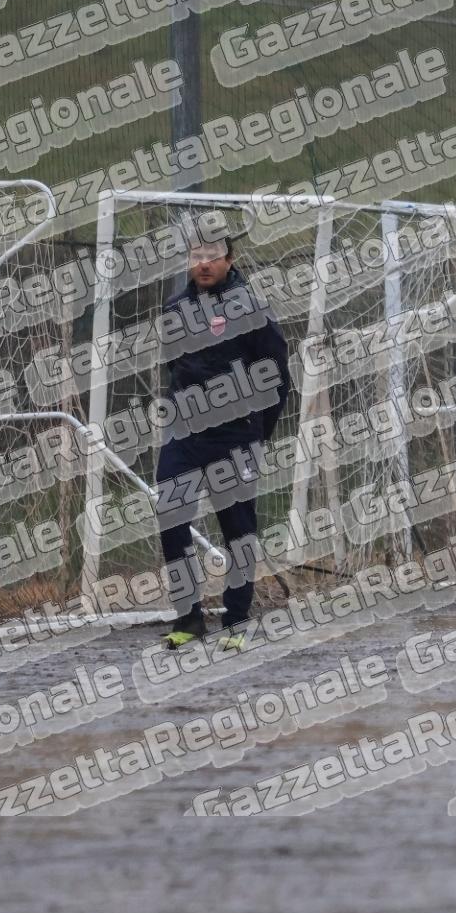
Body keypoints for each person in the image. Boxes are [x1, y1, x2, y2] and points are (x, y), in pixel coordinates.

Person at [156, 225, 294, 649]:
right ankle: (189, 618)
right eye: (197, 256)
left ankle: (236, 622)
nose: (204, 263)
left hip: (236, 436)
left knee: (238, 528)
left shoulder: (250, 307)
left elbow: (277, 375)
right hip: (184, 434)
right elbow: (175, 365)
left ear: (230, 260)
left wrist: (257, 433)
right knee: (170, 515)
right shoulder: (176, 307)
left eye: (213, 256)